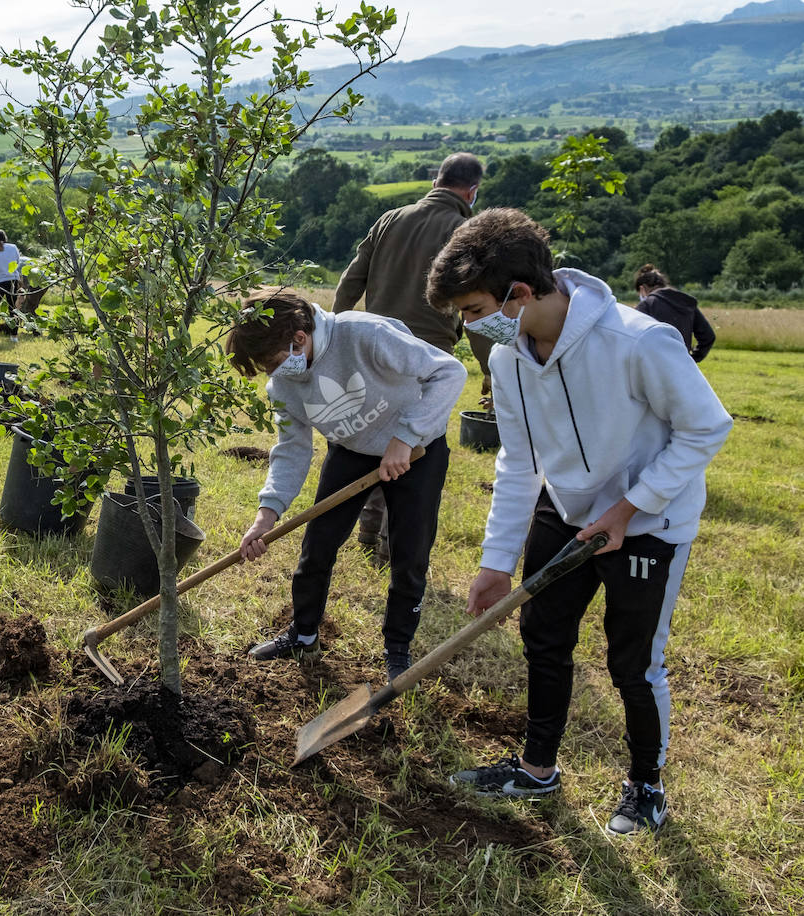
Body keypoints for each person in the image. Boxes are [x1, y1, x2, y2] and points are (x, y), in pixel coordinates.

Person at [426, 208, 732, 835]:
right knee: (544, 637)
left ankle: (645, 785)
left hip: (649, 520)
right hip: (565, 510)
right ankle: (537, 770)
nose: (469, 325)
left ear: (519, 293)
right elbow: (517, 459)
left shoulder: (636, 341)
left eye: (474, 309)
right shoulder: (508, 360)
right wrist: (494, 561)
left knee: (632, 663)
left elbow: (706, 427)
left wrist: (628, 508)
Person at [229, 289, 466, 681]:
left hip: (417, 449)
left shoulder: (366, 334)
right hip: (352, 448)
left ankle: (397, 651)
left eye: (272, 363)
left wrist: (406, 437)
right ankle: (303, 635)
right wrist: (266, 514)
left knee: (409, 553)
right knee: (317, 545)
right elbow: (291, 449)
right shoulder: (283, 387)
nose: (272, 375)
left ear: (299, 338)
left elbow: (449, 371)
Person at [332, 152, 485, 566]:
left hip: (375, 347)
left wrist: (337, 330)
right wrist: (489, 370)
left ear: (436, 180)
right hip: (430, 354)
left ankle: (367, 533)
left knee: (378, 433)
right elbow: (475, 308)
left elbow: (351, 279)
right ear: (472, 192)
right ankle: (388, 547)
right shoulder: (465, 230)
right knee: (414, 444)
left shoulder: (390, 218)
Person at [634, 264, 715, 363]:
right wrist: (692, 359)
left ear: (642, 289)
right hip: (682, 366)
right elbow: (708, 336)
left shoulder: (647, 305)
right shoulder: (686, 302)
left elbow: (631, 337)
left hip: (656, 366)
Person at [0, 229, 24, 342]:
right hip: (13, 281)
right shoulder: (13, 247)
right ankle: (14, 337)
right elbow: (17, 262)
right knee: (13, 309)